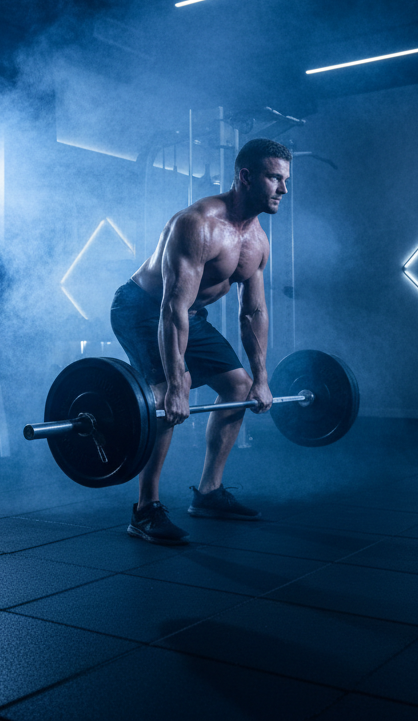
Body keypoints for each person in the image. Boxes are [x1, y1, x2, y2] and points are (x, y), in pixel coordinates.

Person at [110, 138, 288, 545]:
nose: (283, 189)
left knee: (239, 386)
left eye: (285, 179)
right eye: (274, 178)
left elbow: (253, 313)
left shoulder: (257, 241)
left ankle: (208, 493)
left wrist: (262, 378)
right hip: (142, 307)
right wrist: (175, 385)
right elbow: (171, 308)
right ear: (245, 176)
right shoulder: (199, 224)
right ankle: (145, 509)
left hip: (187, 315)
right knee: (166, 393)